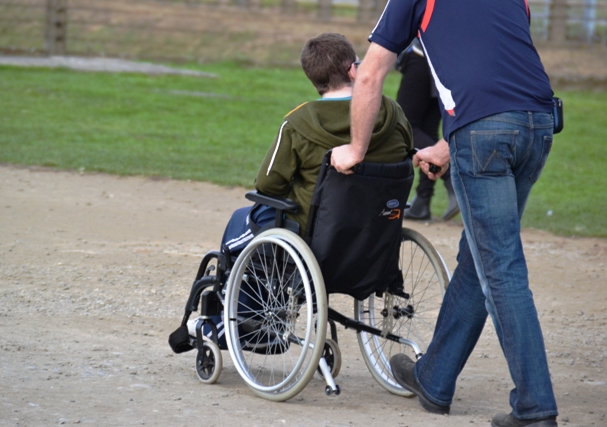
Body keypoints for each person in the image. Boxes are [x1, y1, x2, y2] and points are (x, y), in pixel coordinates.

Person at [330, 1, 559, 426]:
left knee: (501, 269)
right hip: (538, 123)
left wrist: (356, 150)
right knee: (482, 260)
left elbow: (370, 73)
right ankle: (434, 379)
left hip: (484, 130)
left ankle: (535, 408)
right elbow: (498, 70)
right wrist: (449, 145)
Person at [193, 32, 413, 346]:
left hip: (317, 239)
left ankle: (235, 324)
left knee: (242, 222)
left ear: (314, 78)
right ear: (354, 70)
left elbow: (268, 184)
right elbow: (407, 156)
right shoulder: (393, 114)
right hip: (377, 235)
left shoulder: (299, 123)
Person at [394, 38, 459, 221]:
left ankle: (451, 177)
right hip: (448, 62)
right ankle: (422, 201)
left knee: (404, 126)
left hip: (423, 55)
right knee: (427, 129)